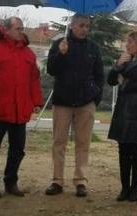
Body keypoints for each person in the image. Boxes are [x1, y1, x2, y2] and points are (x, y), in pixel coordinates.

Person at [0, 17, 43, 198]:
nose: (21, 32)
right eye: (17, 28)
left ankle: (11, 180)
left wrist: (36, 101)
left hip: (19, 110)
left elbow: (33, 80)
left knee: (18, 149)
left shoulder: (29, 54)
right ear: (5, 30)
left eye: (22, 28)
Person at [44, 14, 104, 198]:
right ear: (72, 26)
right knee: (59, 142)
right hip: (63, 101)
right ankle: (57, 180)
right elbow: (51, 70)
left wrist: (95, 97)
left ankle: (80, 181)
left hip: (86, 102)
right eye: (81, 25)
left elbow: (99, 75)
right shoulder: (60, 44)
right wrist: (60, 55)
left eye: (87, 26)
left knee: (83, 143)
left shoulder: (93, 48)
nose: (85, 29)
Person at [107, 31, 137, 202]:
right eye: (127, 42)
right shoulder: (124, 61)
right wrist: (117, 66)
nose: (127, 46)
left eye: (131, 42)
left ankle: (135, 188)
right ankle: (124, 188)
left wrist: (124, 80)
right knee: (123, 151)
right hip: (123, 110)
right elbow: (111, 80)